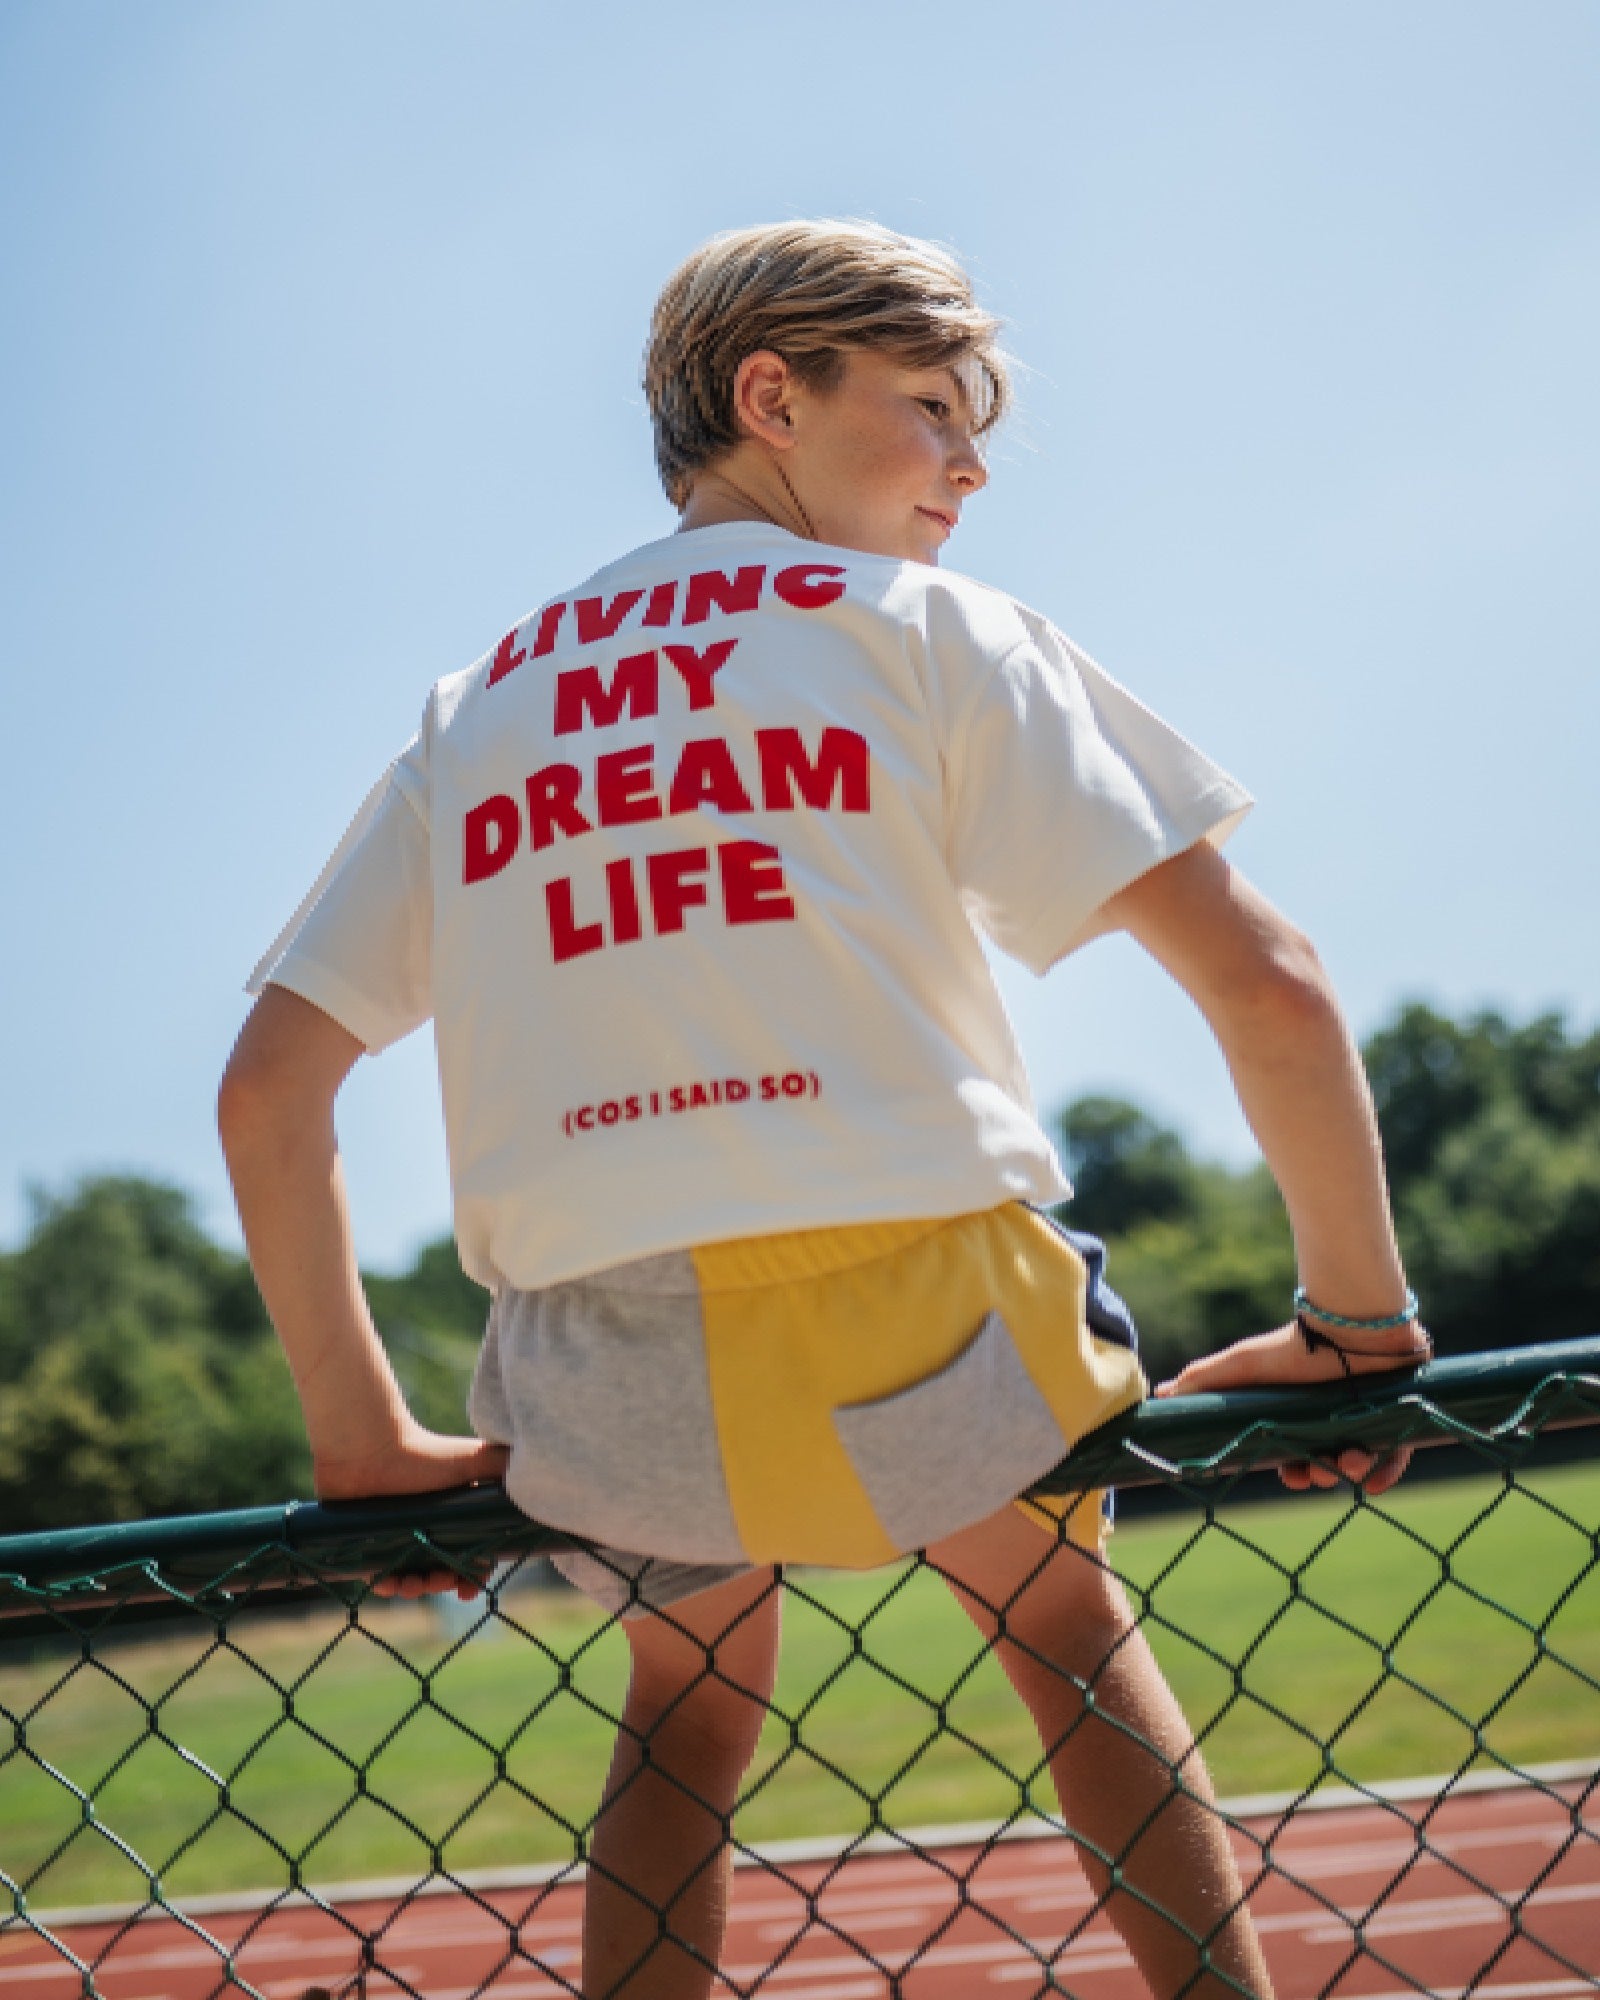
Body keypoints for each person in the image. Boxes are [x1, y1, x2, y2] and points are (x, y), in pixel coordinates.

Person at [219, 221, 1429, 2000]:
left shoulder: (477, 709)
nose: (973, 459)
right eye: (932, 407)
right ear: (770, 396)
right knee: (1073, 1650)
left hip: (595, 1350)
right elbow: (1276, 986)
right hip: (930, 1290)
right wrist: (1356, 1321)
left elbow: (270, 1088)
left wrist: (359, 1430)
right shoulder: (932, 632)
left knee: (683, 1726)